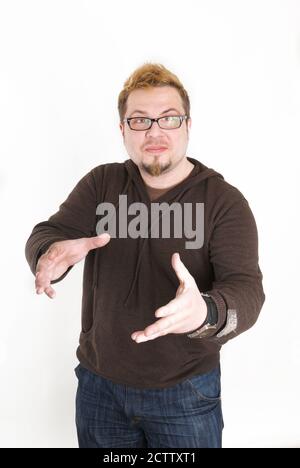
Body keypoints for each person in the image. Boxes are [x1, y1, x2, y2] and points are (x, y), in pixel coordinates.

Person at [25, 63, 265, 449]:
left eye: (169, 118)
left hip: (186, 394)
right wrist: (48, 253)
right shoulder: (102, 183)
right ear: (123, 130)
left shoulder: (223, 202)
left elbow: (247, 290)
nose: (154, 131)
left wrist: (206, 312)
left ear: (188, 125)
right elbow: (48, 234)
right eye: (139, 120)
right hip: (99, 389)